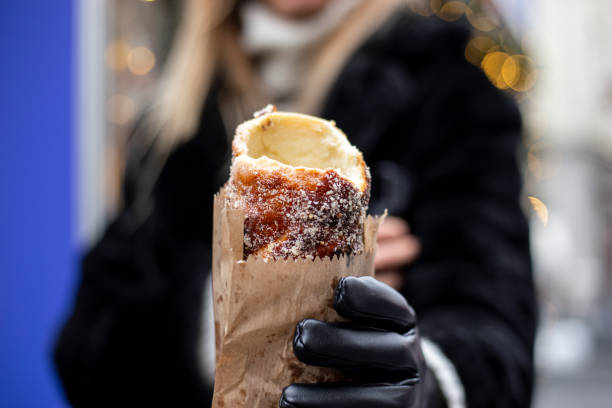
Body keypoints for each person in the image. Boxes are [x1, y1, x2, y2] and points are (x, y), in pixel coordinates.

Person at [54, 0, 536, 407]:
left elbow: (494, 332)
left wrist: (423, 384)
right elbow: (88, 348)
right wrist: (232, 311)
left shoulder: (447, 85)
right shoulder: (174, 122)